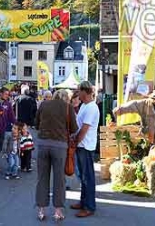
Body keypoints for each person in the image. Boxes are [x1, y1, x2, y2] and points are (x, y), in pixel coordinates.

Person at [35, 89, 78, 221]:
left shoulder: (43, 105)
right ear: (66, 98)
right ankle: (58, 211)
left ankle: (41, 210)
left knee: (42, 177)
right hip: (59, 146)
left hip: (43, 144)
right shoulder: (68, 107)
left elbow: (36, 124)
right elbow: (74, 128)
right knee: (59, 179)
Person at [70, 81, 99, 218]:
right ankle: (83, 202)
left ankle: (89, 206)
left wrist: (76, 141)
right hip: (82, 145)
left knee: (87, 177)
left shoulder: (91, 108)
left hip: (86, 146)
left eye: (78, 91)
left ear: (84, 92)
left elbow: (84, 129)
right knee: (83, 177)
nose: (77, 94)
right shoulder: (84, 105)